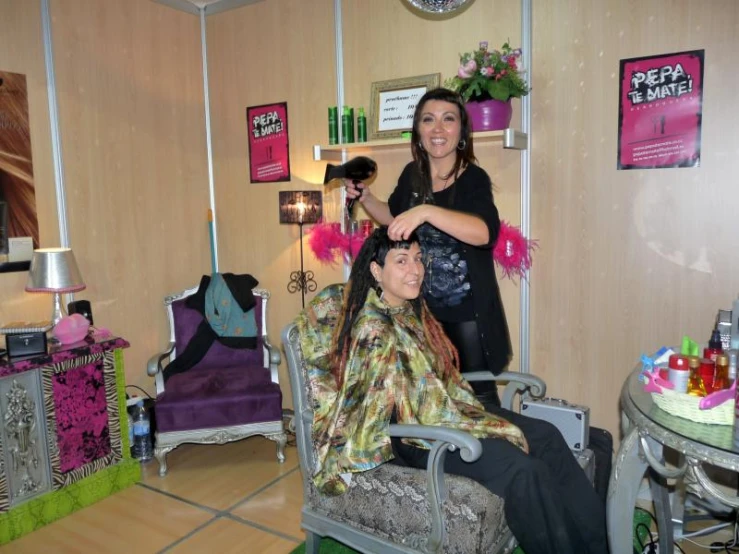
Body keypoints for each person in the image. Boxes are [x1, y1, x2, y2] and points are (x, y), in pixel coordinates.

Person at [295, 226, 607, 554]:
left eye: (418, 259)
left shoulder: (411, 311)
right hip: (416, 436)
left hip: (446, 410)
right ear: (376, 270)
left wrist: (449, 405)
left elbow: (437, 378)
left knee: (548, 437)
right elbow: (367, 414)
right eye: (401, 261)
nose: (415, 269)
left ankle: (601, 546)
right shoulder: (373, 328)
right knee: (523, 472)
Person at [345, 87, 508, 409]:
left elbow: (484, 233)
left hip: (467, 316)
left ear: (461, 130)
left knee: (480, 403)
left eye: (448, 120)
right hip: (420, 312)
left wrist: (428, 211)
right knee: (430, 401)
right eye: (428, 120)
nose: (438, 129)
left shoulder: (474, 178)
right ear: (418, 131)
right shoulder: (412, 175)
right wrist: (366, 199)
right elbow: (394, 218)